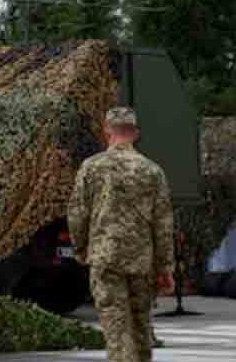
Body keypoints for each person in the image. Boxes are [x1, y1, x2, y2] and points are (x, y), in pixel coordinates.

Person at [68, 106, 174, 362]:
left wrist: (81, 248)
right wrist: (165, 268)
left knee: (117, 331)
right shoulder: (152, 171)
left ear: (107, 131)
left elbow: (77, 214)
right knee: (140, 331)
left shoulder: (91, 168)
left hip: (106, 259)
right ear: (135, 133)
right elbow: (163, 224)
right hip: (141, 262)